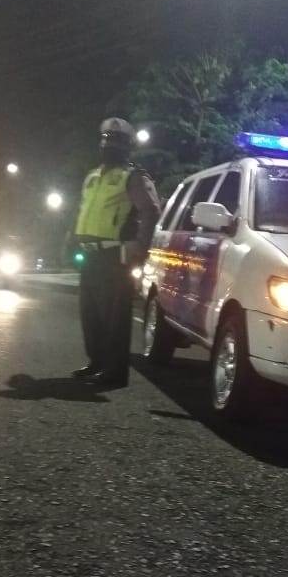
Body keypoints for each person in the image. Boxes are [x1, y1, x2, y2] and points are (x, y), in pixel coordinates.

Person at [72, 117, 160, 388]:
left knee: (114, 317)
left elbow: (151, 211)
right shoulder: (93, 177)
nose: (110, 146)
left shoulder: (133, 177)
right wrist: (71, 240)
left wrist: (139, 246)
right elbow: (83, 210)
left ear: (127, 147)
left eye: (117, 142)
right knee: (90, 314)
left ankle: (115, 373)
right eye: (107, 140)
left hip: (114, 256)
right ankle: (97, 362)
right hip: (90, 254)